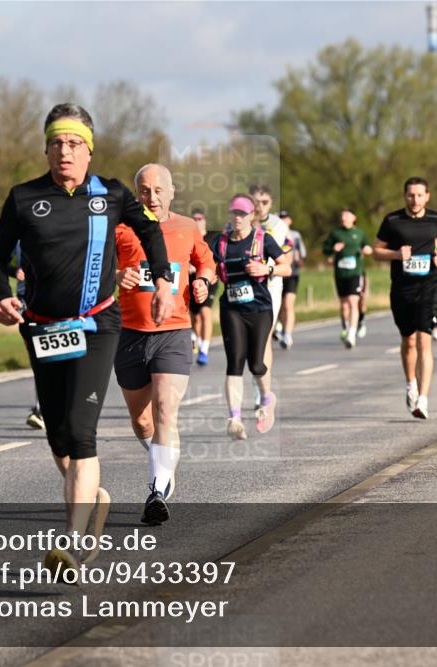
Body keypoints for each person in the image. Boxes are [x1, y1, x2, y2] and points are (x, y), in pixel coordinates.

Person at [0, 104, 173, 579]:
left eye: (73, 143)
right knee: (58, 434)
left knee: (82, 430)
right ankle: (93, 498)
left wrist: (164, 280)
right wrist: (1, 298)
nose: (64, 151)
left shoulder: (109, 193)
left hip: (96, 323)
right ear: (45, 148)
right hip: (43, 327)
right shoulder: (24, 198)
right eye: (56, 143)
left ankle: (71, 543)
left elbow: (149, 227)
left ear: (89, 149)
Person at [114, 164, 215, 526]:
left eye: (158, 190)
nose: (151, 198)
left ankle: (156, 488)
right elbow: (93, 269)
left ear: (171, 192)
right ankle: (163, 460)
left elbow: (206, 265)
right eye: (144, 191)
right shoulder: (121, 227)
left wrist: (203, 282)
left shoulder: (187, 227)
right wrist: (116, 274)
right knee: (141, 420)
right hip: (129, 334)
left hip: (173, 333)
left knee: (165, 411)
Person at [372, 177, 437, 420]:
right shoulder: (392, 221)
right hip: (402, 290)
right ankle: (411, 384)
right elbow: (376, 251)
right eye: (410, 195)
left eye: (419, 195)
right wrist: (396, 254)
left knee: (424, 342)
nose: (415, 199)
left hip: (429, 287)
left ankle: (424, 400)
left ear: (427, 196)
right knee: (408, 341)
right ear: (404, 196)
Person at [212, 194, 291, 440]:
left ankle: (267, 398)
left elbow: (286, 266)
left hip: (259, 308)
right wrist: (203, 279)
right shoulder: (221, 242)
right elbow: (210, 268)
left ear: (251, 216)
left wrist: (266, 268)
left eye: (242, 214)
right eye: (234, 213)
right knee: (234, 361)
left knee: (256, 363)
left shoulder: (262, 239)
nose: (237, 218)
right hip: (232, 308)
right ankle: (234, 418)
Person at [248, 185, 292, 407]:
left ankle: (261, 389)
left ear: (271, 203)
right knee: (249, 340)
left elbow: (287, 258)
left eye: (264, 202)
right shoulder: (239, 221)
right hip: (245, 287)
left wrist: (270, 269)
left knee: (264, 336)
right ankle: (258, 384)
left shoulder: (278, 226)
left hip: (270, 285)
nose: (260, 206)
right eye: (255, 201)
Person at [322, 209, 372, 348]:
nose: (343, 218)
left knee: (353, 301)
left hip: (356, 273)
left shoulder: (359, 233)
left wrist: (367, 249)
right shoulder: (335, 233)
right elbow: (325, 249)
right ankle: (345, 328)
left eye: (346, 215)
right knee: (344, 305)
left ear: (353, 217)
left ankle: (352, 334)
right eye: (342, 215)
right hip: (340, 273)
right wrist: (333, 248)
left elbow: (368, 247)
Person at [9, 241, 44, 429]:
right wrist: (14, 271)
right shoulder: (17, 235)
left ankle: (45, 408)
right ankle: (42, 409)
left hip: (56, 299)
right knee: (38, 357)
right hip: (26, 301)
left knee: (54, 358)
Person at [188, 207, 220, 365]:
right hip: (189, 279)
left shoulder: (214, 236)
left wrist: (217, 273)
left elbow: (221, 258)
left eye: (199, 218)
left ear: (205, 219)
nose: (197, 221)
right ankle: (195, 337)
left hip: (209, 279)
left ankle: (204, 350)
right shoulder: (186, 237)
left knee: (205, 312)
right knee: (194, 316)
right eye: (194, 219)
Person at [276, 210, 306, 350]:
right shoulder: (272, 233)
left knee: (288, 304)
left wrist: (299, 259)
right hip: (277, 274)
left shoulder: (295, 235)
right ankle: (280, 326)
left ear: (290, 220)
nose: (283, 220)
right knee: (279, 306)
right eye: (280, 218)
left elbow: (302, 254)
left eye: (285, 218)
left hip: (292, 273)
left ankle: (287, 334)